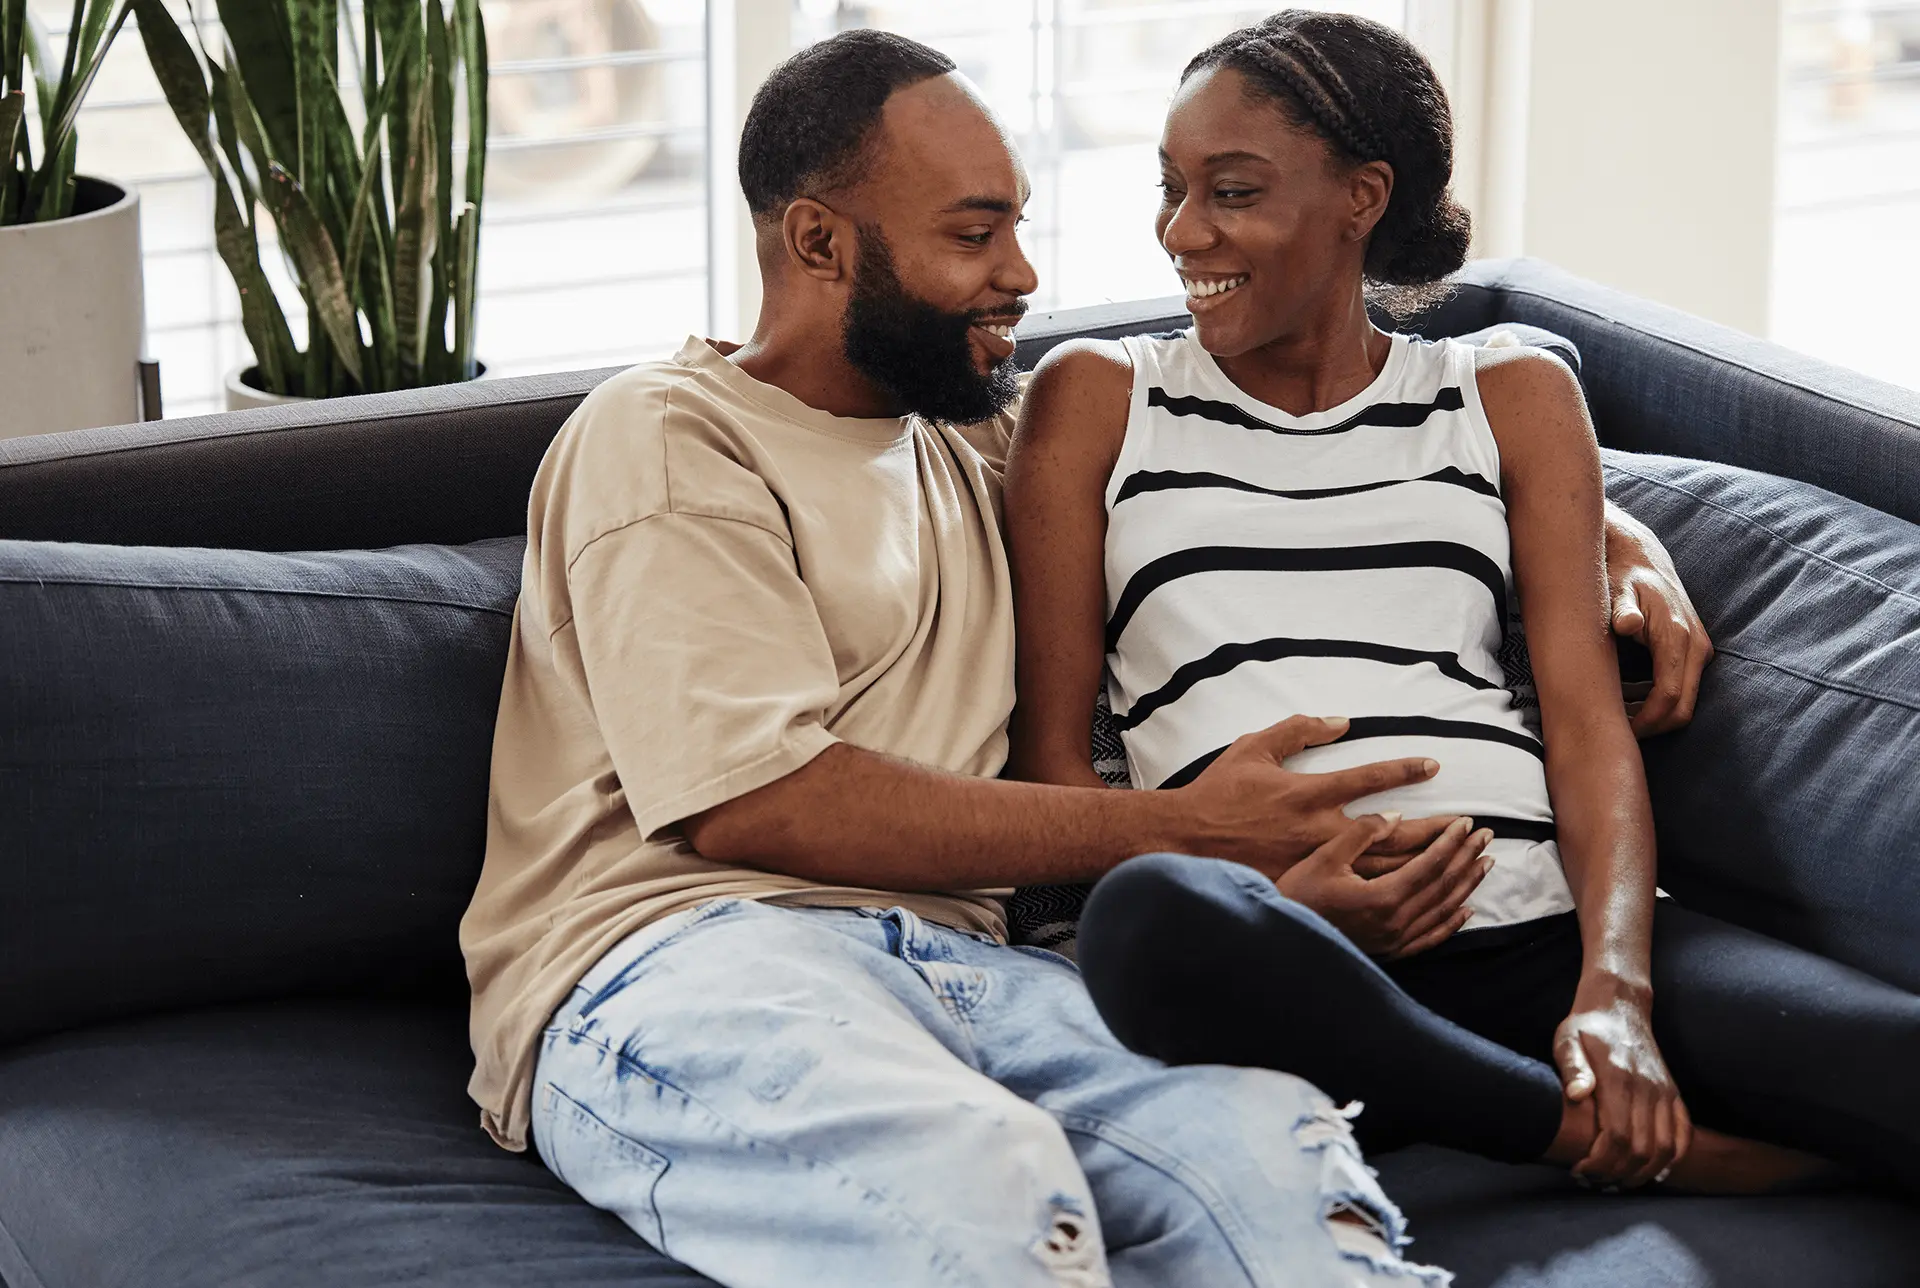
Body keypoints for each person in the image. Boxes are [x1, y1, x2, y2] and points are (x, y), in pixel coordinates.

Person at [460, 27, 1715, 1288]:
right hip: (689, 956)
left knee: (1284, 1175)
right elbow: (760, 800)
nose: (1022, 274)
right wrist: (1188, 832)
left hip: (983, 974)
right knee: (997, 1199)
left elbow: (1316, 454)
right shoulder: (672, 436)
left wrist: (1616, 535)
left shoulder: (966, 435)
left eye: (1016, 227)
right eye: (972, 236)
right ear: (820, 244)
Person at [1006, 9, 1920, 1200]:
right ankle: (1601, 1137)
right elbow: (1050, 777)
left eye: (1230, 191)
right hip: (1276, 948)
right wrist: (1291, 909)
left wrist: (1615, 994)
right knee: (1145, 921)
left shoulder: (1509, 389)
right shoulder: (1096, 396)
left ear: (1360, 197)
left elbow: (1587, 726)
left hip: (1540, 927)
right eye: (1171, 189)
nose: (1184, 233)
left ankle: (1518, 1098)